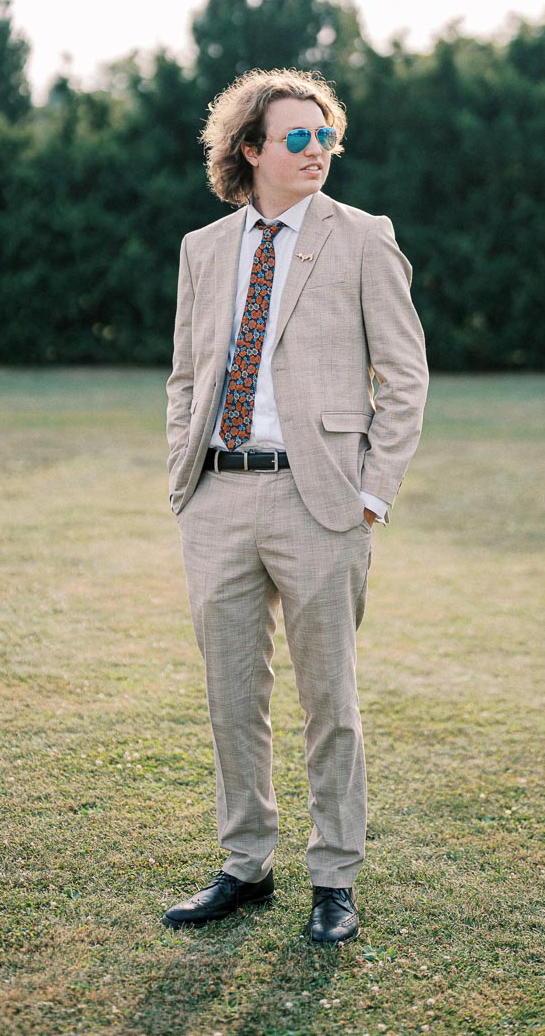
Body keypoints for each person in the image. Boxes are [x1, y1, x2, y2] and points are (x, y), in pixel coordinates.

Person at [163, 67, 428, 943]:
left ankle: (334, 877)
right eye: (298, 138)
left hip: (324, 501)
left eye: (326, 136)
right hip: (218, 497)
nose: (318, 150)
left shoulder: (363, 238)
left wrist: (373, 493)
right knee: (231, 695)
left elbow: (406, 375)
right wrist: (183, 476)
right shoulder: (204, 248)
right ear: (251, 150)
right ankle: (245, 864)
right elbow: (187, 375)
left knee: (329, 700)